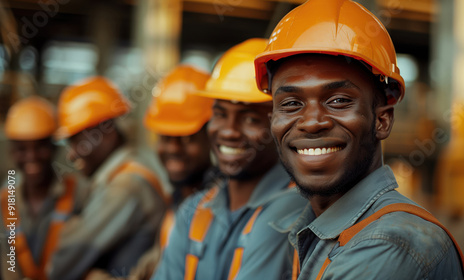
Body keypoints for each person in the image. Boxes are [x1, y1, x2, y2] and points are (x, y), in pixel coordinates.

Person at [253, 0, 464, 279]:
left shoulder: (389, 245)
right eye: (291, 103)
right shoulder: (314, 227)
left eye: (339, 100)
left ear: (382, 120)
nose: (311, 122)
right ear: (273, 121)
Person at [152, 38, 307, 280]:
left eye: (250, 119)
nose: (229, 131)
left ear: (281, 124)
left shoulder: (294, 210)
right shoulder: (193, 211)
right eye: (220, 114)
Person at [49, 77, 167, 280]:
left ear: (106, 132)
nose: (71, 154)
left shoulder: (125, 186)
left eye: (76, 140)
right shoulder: (124, 173)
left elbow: (60, 265)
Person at [128, 65, 216, 280]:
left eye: (186, 138)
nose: (173, 149)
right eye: (166, 138)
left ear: (213, 134)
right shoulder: (178, 197)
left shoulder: (221, 206)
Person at [0, 96, 85, 280]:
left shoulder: (78, 193)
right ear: (12, 152)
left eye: (40, 147)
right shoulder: (6, 198)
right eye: (22, 149)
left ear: (54, 148)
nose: (32, 157)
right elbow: (7, 258)